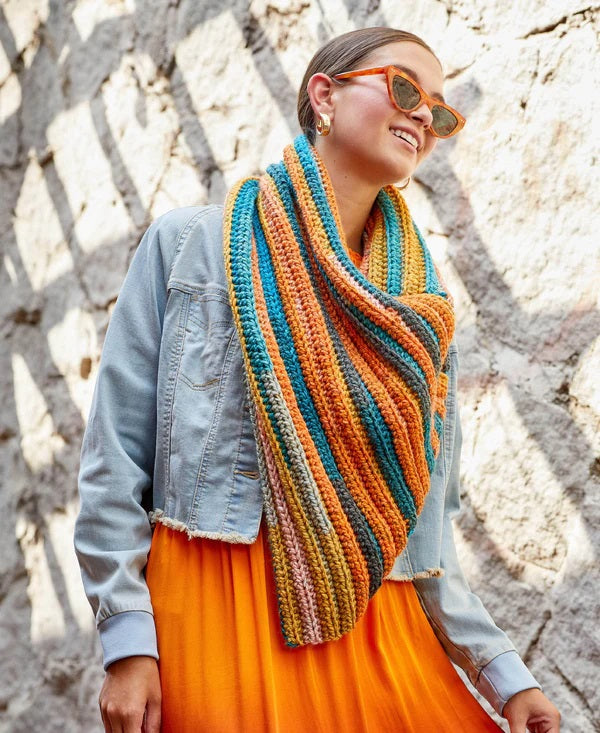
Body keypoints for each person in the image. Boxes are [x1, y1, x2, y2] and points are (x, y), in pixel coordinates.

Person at [74, 26, 562, 733]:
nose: (424, 116)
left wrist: (504, 676)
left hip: (378, 625)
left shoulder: (420, 314)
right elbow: (115, 457)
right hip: (214, 612)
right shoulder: (189, 247)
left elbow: (425, 534)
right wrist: (127, 641)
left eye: (439, 111)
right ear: (324, 96)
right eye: (404, 88)